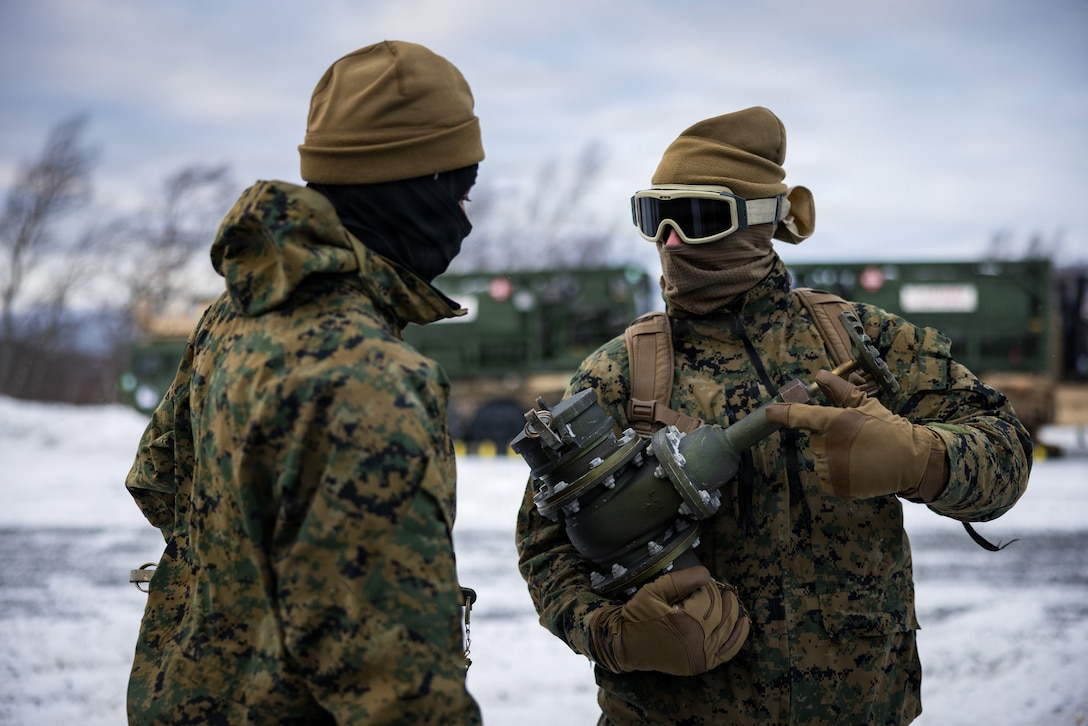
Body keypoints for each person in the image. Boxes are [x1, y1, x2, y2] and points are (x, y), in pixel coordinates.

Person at [515, 106, 1032, 724]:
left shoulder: (861, 343)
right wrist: (611, 634)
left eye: (700, 217)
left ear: (765, 221)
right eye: (654, 217)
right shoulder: (620, 373)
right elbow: (547, 542)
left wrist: (925, 459)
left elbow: (1006, 449)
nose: (670, 241)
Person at [125, 40, 485, 724]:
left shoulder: (230, 315)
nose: (464, 219)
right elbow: (393, 684)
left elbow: (158, 480)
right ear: (418, 190)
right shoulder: (371, 376)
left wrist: (248, 602)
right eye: (460, 193)